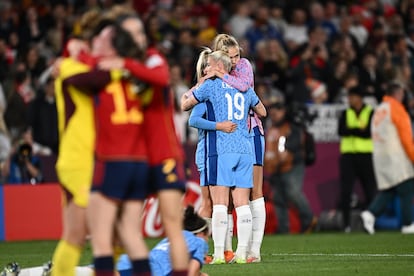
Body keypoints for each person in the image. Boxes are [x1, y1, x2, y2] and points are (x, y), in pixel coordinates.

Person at [98, 13, 190, 274]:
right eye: (131, 34)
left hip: (164, 156)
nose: (138, 38)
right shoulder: (118, 68)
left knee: (173, 226)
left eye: (140, 32)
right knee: (124, 228)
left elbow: (161, 78)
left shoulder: (151, 58)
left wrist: (124, 63)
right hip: (135, 159)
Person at [62, 20, 152, 275]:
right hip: (139, 162)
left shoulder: (99, 81)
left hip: (112, 161)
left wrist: (77, 54)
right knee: (131, 236)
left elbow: (73, 80)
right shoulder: (138, 77)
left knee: (102, 239)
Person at [181, 49, 267, 264]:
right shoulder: (245, 88)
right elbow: (262, 111)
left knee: (219, 203)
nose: (207, 68)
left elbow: (187, 108)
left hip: (222, 149)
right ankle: (242, 254)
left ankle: (219, 253)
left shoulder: (210, 87)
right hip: (245, 149)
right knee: (242, 203)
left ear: (219, 67)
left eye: (209, 64)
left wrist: (218, 123)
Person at [206, 33, 267, 263]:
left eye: (237, 55)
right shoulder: (214, 73)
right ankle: (228, 250)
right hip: (224, 137)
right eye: (229, 57)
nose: (234, 60)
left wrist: (220, 74)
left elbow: (244, 87)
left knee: (254, 191)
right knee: (226, 198)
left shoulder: (243, 67)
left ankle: (254, 251)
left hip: (251, 132)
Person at [361, 82, 414, 234]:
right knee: (407, 185)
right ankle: (408, 224)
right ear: (397, 94)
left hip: (379, 154)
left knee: (390, 187)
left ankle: (370, 214)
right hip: (396, 154)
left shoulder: (379, 109)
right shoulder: (397, 109)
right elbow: (405, 137)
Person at [264, 97, 317, 234]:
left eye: (277, 112)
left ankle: (309, 219)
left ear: (283, 112)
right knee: (278, 198)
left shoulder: (292, 126)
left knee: (293, 193)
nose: (274, 115)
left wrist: (286, 151)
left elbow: (295, 143)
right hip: (277, 168)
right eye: (273, 113)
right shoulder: (271, 128)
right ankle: (283, 228)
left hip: (293, 165)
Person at [116, 205, 210, 276]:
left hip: (124, 263)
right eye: (207, 237)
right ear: (201, 234)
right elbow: (191, 272)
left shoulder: (170, 239)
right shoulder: (199, 242)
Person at [337, 86, 377, 233]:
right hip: (348, 156)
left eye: (352, 96)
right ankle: (346, 225)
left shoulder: (370, 112)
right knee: (346, 191)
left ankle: (370, 223)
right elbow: (341, 131)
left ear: (359, 98)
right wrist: (357, 131)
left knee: (369, 190)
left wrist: (351, 130)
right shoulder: (345, 112)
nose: (350, 100)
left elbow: (369, 133)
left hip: (366, 156)